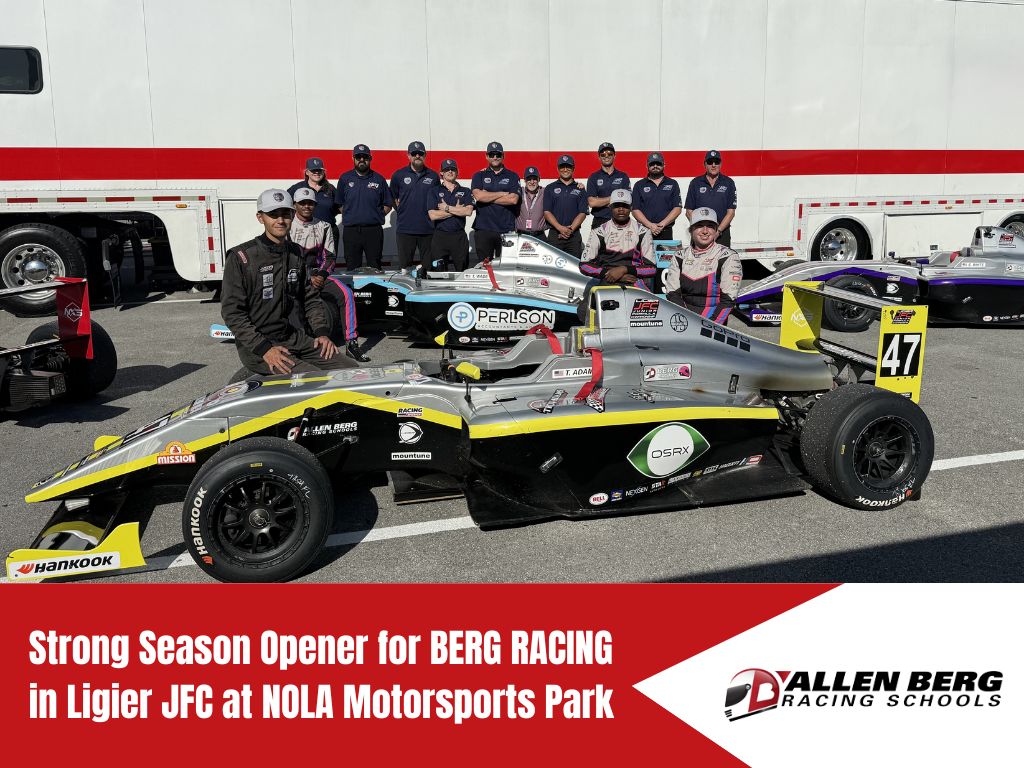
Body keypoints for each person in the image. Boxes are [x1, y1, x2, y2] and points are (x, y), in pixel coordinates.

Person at [221, 189, 355, 375]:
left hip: (293, 337)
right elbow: (232, 313)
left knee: (352, 372)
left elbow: (310, 299)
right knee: (315, 380)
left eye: (285, 214)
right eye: (273, 215)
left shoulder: (296, 252)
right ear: (260, 218)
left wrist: (322, 333)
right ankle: (256, 373)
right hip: (259, 347)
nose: (280, 220)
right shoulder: (242, 257)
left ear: (292, 215)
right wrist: (265, 349)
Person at [291, 188, 367, 361]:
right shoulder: (287, 227)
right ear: (295, 205)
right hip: (295, 276)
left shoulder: (324, 226)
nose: (306, 206)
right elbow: (284, 258)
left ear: (315, 205)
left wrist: (321, 276)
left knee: (346, 293)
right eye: (302, 203)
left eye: (310, 203)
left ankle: (351, 344)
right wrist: (306, 277)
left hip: (319, 275)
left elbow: (330, 257)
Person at [663, 206, 743, 323]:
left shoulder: (728, 256)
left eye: (710, 226)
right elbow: (672, 293)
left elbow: (728, 299)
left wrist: (710, 327)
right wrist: (686, 321)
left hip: (714, 322)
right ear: (691, 230)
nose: (705, 231)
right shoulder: (679, 256)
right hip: (684, 320)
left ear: (716, 230)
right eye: (699, 226)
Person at [580, 189, 657, 289]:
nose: (621, 209)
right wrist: (612, 274)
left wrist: (624, 270)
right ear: (610, 207)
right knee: (585, 304)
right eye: (617, 206)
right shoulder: (599, 232)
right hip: (607, 281)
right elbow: (584, 265)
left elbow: (652, 269)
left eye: (625, 206)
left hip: (634, 282)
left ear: (631, 208)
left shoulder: (642, 231)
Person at [335, 144, 393, 270]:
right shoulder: (345, 178)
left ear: (370, 159)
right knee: (352, 266)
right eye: (358, 157)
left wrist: (376, 215)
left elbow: (388, 203)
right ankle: (351, 290)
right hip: (351, 231)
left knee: (375, 265)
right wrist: (351, 214)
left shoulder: (379, 179)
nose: (362, 159)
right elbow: (339, 203)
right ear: (353, 158)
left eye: (365, 157)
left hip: (373, 231)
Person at [389, 140, 440, 274]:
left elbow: (437, 199)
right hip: (405, 229)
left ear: (425, 155)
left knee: (428, 269)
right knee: (405, 268)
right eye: (414, 153)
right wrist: (400, 210)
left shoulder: (433, 176)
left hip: (427, 229)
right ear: (408, 155)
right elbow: (392, 196)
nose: (417, 156)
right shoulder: (398, 175)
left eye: (420, 153)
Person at [470, 141, 520, 263]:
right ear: (487, 156)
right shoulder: (479, 175)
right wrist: (502, 193)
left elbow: (513, 200)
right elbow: (479, 196)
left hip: (505, 229)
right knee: (484, 266)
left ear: (503, 156)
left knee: (505, 267)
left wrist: (487, 195)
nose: (495, 157)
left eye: (498, 154)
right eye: (492, 154)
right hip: (483, 229)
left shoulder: (513, 176)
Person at [428, 158, 475, 271]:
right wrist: (457, 210)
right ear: (441, 173)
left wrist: (447, 208)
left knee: (461, 271)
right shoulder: (433, 191)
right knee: (438, 273)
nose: (450, 171)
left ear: (457, 172)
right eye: (447, 169)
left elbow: (468, 211)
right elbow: (433, 215)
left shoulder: (466, 191)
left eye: (453, 169)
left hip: (459, 237)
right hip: (440, 237)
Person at [685, 149, 737, 247]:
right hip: (700, 235)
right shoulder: (695, 183)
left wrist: (718, 231)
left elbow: (731, 213)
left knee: (722, 262)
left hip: (721, 234)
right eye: (710, 162)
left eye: (716, 162)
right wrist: (701, 229)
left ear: (720, 164)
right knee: (698, 261)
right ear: (705, 164)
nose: (713, 165)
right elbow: (689, 211)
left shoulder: (729, 183)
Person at [542, 154, 588, 257]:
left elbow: (583, 213)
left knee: (574, 267)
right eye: (562, 166)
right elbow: (547, 212)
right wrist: (560, 228)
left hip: (574, 235)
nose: (565, 169)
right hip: (555, 234)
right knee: (553, 269)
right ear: (558, 169)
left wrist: (570, 230)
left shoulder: (580, 189)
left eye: (568, 166)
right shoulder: (550, 188)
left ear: (573, 168)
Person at [631, 152, 682, 241]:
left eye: (658, 163)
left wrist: (661, 225)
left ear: (664, 165)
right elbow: (635, 209)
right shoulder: (639, 185)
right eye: (652, 164)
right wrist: (650, 225)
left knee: (666, 255)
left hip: (666, 231)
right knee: (645, 255)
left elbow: (677, 208)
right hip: (645, 231)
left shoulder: (672, 183)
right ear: (647, 166)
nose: (655, 166)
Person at [586, 142, 630, 230]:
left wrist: (601, 201)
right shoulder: (593, 177)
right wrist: (616, 198)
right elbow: (592, 202)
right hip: (599, 221)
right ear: (599, 157)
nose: (606, 156)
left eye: (610, 154)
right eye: (603, 154)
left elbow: (627, 199)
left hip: (620, 221)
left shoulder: (623, 176)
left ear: (614, 155)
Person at [287, 157, 339, 230]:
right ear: (307, 172)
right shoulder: (297, 188)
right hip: (304, 231)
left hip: (328, 230)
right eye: (313, 170)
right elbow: (286, 206)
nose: (317, 172)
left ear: (323, 172)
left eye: (319, 170)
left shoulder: (331, 188)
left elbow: (339, 207)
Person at [515, 166, 546, 237]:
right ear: (524, 180)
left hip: (539, 235)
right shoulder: (518, 191)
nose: (532, 182)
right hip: (521, 235)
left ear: (539, 179)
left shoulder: (545, 192)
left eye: (535, 179)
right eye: (529, 179)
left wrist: (576, 186)